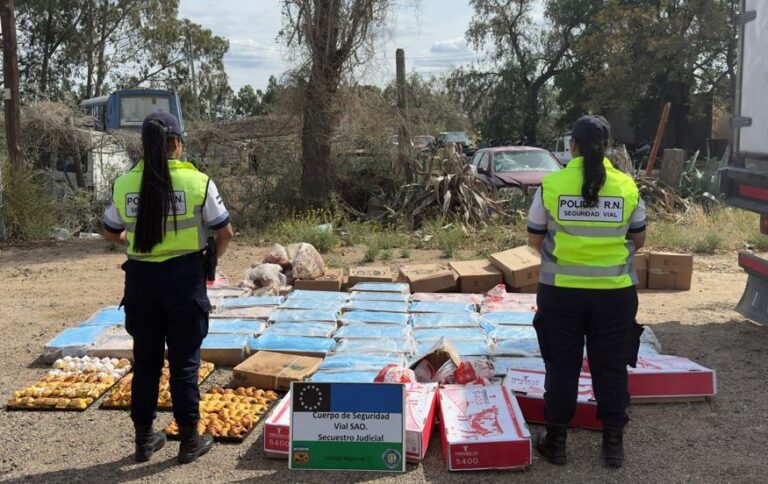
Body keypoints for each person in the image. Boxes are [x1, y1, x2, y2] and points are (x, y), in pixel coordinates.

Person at [102, 111, 234, 464]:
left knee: (145, 362)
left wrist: (131, 240)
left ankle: (144, 439)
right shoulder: (198, 182)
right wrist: (211, 259)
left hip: (141, 282)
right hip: (184, 281)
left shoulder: (124, 183)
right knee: (184, 361)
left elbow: (109, 228)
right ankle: (189, 439)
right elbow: (225, 232)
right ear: (177, 143)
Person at [526, 115, 646, 468]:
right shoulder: (626, 186)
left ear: (572, 146)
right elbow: (637, 239)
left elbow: (535, 238)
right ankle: (612, 446)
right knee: (610, 367)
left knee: (561, 366)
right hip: (615, 294)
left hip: (561, 292)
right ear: (607, 146)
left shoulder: (552, 185)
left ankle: (557, 442)